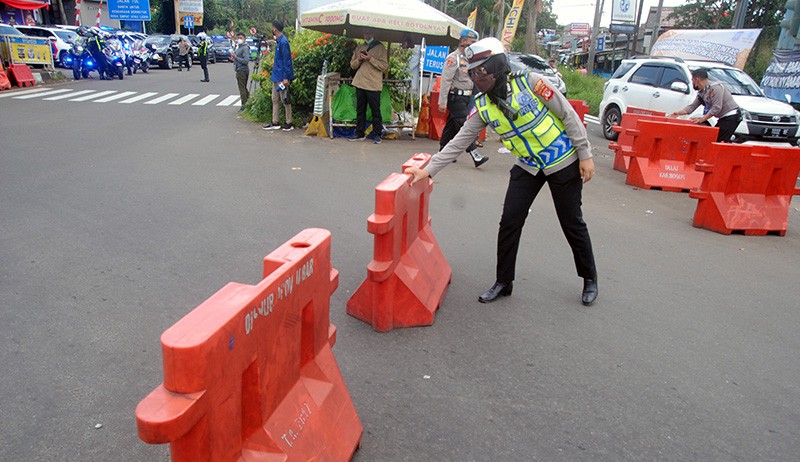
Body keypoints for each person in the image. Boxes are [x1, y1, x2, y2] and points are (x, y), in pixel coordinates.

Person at [406, 37, 599, 306]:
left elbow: (567, 114)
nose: (478, 76)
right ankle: (503, 281)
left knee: (571, 222)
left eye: (482, 70)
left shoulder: (530, 82)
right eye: (473, 72)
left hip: (562, 160)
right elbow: (460, 140)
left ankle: (589, 278)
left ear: (497, 66)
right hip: (528, 166)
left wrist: (585, 154)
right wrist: (429, 170)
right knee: (509, 221)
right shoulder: (483, 104)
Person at [438, 28, 488, 168]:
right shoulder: (453, 59)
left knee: (451, 126)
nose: (473, 45)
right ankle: (474, 154)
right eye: (471, 42)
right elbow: (446, 81)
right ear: (463, 41)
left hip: (466, 97)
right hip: (455, 97)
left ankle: (443, 151)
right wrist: (442, 102)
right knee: (464, 125)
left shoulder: (470, 59)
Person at [667, 68, 741, 143]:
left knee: (719, 141)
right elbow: (692, 107)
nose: (692, 82)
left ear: (697, 79)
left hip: (731, 116)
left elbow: (717, 107)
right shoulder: (702, 92)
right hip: (723, 118)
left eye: (692, 80)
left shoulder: (715, 88)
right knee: (714, 139)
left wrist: (702, 119)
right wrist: (677, 113)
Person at [349, 28, 389, 144]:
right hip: (360, 82)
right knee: (360, 110)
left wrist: (370, 58)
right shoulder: (360, 47)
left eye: (370, 33)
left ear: (374, 34)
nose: (367, 35)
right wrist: (359, 59)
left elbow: (384, 66)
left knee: (375, 111)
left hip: (373, 84)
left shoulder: (380, 48)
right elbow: (353, 65)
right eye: (366, 33)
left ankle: (377, 133)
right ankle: (359, 133)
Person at [262, 20, 295, 131]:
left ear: (275, 28)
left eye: (272, 27)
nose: (271, 29)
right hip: (276, 76)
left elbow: (287, 61)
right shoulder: (279, 42)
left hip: (282, 77)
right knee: (275, 99)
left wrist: (286, 77)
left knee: (285, 99)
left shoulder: (284, 42)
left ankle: (289, 122)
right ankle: (275, 121)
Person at [231, 32, 250, 111]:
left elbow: (246, 61)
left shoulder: (245, 48)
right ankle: (249, 103)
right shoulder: (238, 47)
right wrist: (234, 58)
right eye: (238, 37)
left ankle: (244, 105)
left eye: (241, 38)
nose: (239, 39)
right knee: (244, 88)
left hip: (242, 70)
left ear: (244, 39)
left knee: (242, 89)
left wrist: (236, 57)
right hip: (238, 69)